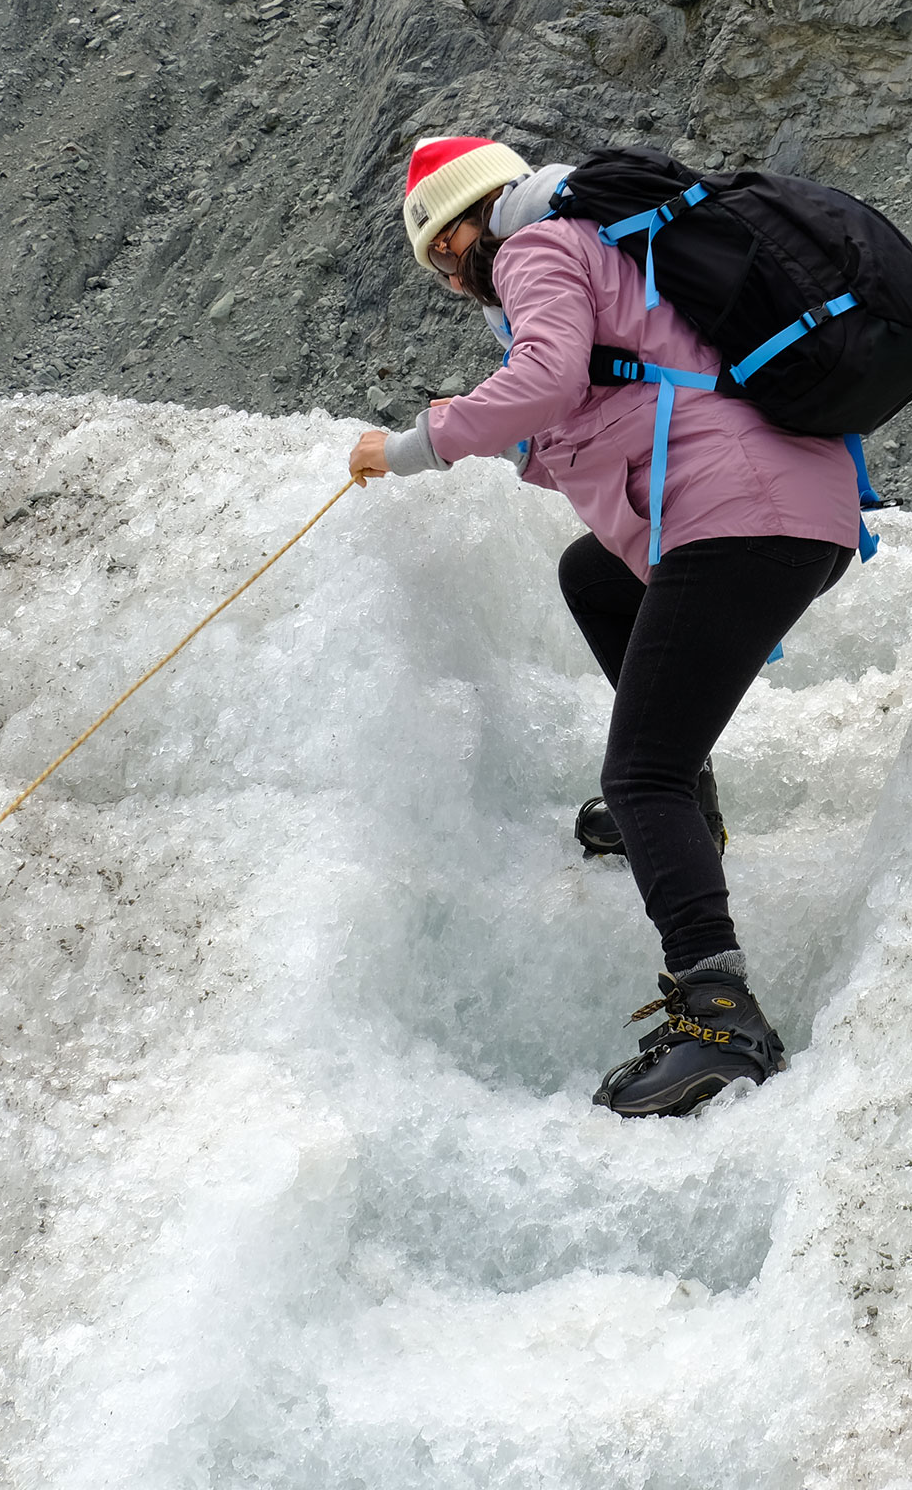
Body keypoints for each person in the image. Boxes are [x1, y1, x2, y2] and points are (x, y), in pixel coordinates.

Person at [346, 134, 863, 1118]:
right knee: (594, 575)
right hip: (787, 508)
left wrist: (413, 445)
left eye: (442, 256)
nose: (452, 280)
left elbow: (545, 380)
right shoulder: (607, 251)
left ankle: (720, 1015)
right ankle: (688, 818)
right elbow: (599, 395)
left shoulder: (537, 247)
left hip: (742, 517)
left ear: (467, 221)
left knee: (640, 774)